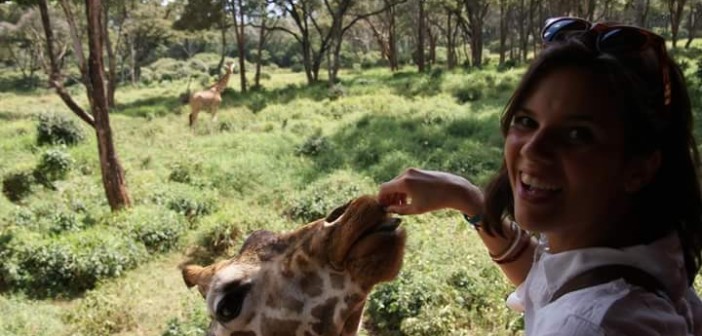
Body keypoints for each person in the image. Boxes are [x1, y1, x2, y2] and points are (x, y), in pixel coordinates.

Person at [378, 17, 702, 335]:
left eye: (578, 134)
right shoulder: (638, 264)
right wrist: (464, 197)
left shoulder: (588, 325)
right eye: (527, 121)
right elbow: (550, 285)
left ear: (639, 167)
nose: (534, 149)